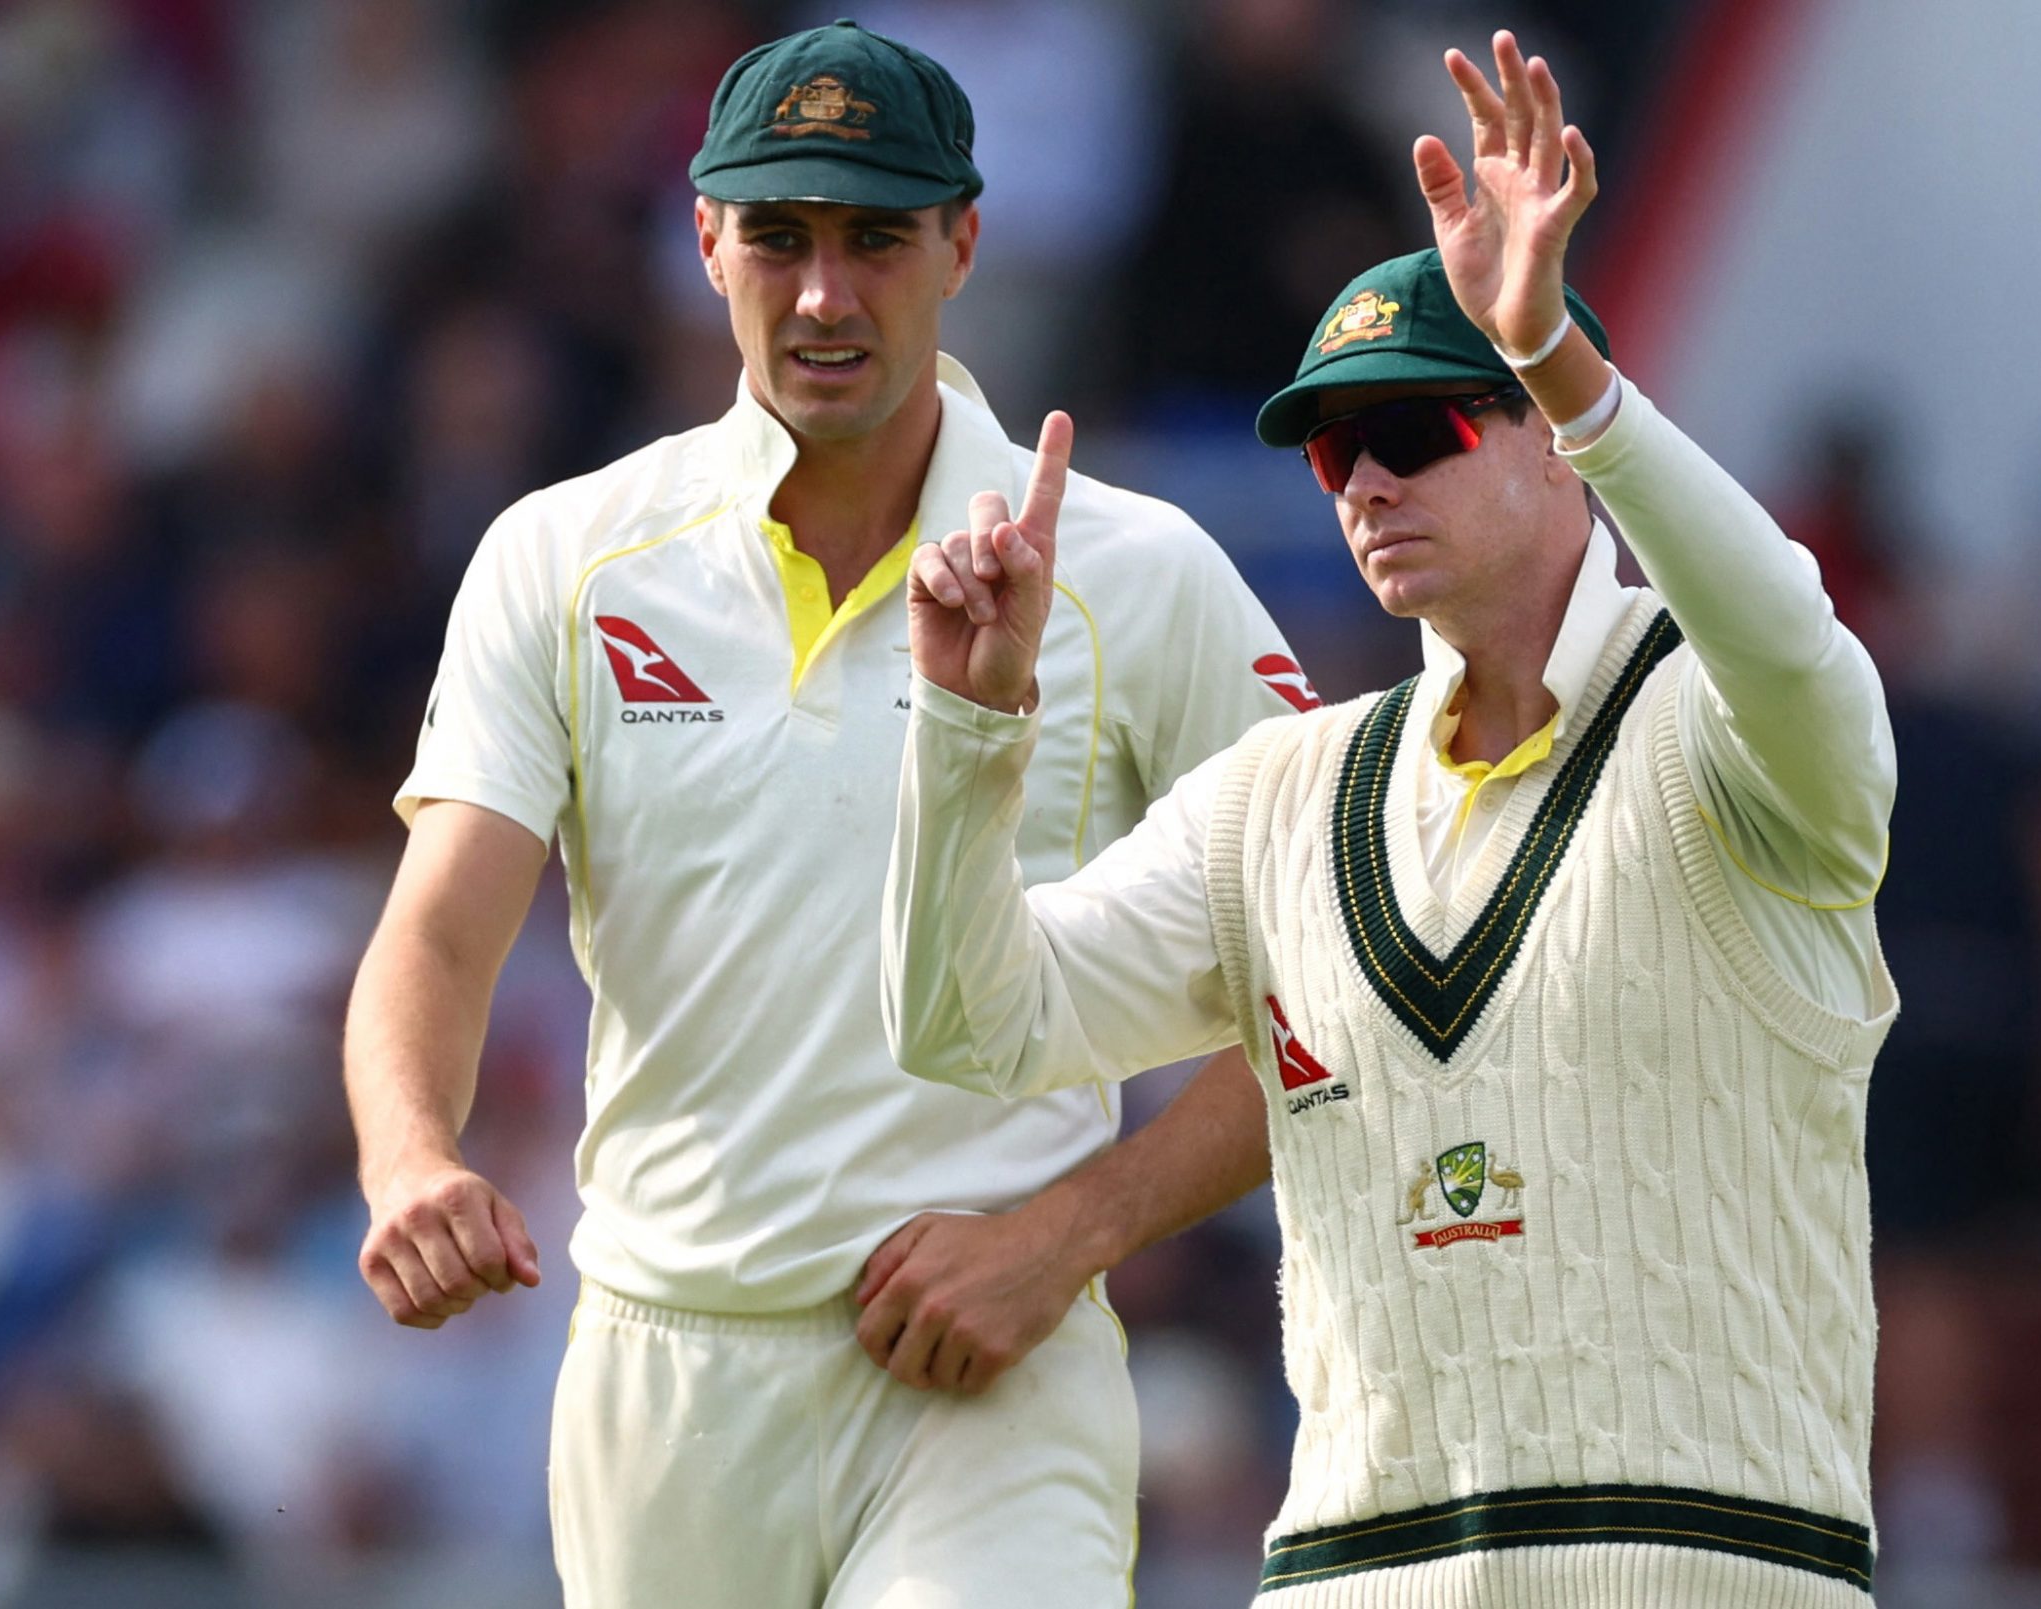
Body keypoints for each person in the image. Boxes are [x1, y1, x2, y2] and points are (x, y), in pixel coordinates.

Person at [885, 31, 1898, 1606]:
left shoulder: (1733, 737)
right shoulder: (1283, 791)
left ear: (1559, 439)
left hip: (1710, 1567)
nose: (1363, 482)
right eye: (1337, 449)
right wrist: (966, 726)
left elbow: (1786, 629)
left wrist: (1559, 349)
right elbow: (967, 1021)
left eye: (1415, 430)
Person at [342, 21, 1306, 1609]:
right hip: (663, 1377)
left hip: (989, 1368)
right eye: (779, 236)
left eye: (876, 239)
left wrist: (1072, 1231)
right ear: (705, 236)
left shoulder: (1138, 571)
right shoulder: (563, 556)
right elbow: (438, 929)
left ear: (965, 245)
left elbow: (1345, 966)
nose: (822, 295)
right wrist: (409, 1161)